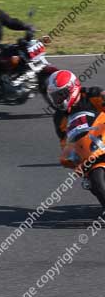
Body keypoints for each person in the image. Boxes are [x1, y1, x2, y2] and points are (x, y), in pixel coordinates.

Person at [47, 70, 105, 205]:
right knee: (89, 179)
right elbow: (64, 139)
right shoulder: (59, 116)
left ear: (72, 88)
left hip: (103, 134)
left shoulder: (92, 94)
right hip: (87, 148)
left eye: (60, 95)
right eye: (55, 97)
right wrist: (68, 155)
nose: (58, 100)